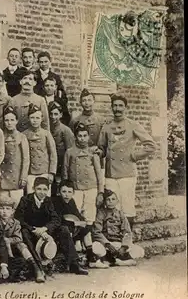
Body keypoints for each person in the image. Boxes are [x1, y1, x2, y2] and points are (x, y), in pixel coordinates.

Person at [97, 94, 155, 229]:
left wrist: (134, 156)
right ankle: (114, 236)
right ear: (111, 107)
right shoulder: (106, 126)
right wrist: (98, 152)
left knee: (127, 206)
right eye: (115, 106)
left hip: (127, 173)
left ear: (125, 108)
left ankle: (128, 238)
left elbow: (151, 145)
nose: (117, 109)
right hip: (111, 174)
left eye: (120, 106)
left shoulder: (133, 125)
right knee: (112, 206)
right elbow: (102, 148)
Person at [15, 177, 88, 275]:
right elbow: (19, 218)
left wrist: (45, 229)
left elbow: (56, 219)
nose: (42, 192)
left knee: (64, 229)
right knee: (24, 232)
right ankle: (37, 267)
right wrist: (33, 229)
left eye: (45, 189)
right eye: (39, 189)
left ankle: (74, 264)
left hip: (45, 231)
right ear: (33, 189)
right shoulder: (25, 199)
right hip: (31, 230)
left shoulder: (48, 201)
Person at [0, 195, 45, 283]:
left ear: (12, 211)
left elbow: (18, 238)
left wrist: (8, 240)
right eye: (2, 208)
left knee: (21, 245)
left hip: (12, 249)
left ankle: (35, 268)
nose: (4, 211)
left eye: (8, 209)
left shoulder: (15, 223)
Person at [62, 123, 104, 225]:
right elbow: (65, 171)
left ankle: (88, 237)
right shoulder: (70, 152)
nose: (82, 139)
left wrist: (100, 192)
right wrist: (66, 189)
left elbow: (99, 173)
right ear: (76, 137)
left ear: (88, 136)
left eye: (85, 136)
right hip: (76, 188)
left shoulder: (93, 152)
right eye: (80, 136)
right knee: (75, 214)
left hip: (91, 188)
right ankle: (77, 239)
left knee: (89, 215)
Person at [92, 189, 144, 267]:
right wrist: (107, 244)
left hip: (118, 243)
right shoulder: (101, 213)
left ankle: (114, 260)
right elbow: (96, 232)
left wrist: (123, 247)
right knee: (95, 247)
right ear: (105, 202)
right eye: (108, 199)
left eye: (113, 199)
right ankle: (119, 260)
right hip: (106, 244)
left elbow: (127, 231)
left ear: (117, 201)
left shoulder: (120, 213)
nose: (111, 201)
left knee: (140, 251)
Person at [52, 181, 97, 269]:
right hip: (59, 229)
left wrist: (82, 221)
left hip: (70, 227)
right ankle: (73, 259)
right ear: (59, 192)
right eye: (64, 192)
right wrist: (75, 223)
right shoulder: (54, 201)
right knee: (67, 229)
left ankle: (91, 257)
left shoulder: (71, 201)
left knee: (86, 229)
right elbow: (57, 219)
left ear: (73, 193)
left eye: (69, 192)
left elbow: (77, 214)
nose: (66, 195)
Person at [22, 105, 57, 194]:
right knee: (31, 195)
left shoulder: (46, 134)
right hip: (30, 172)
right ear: (28, 118)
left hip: (44, 172)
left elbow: (53, 154)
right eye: (32, 117)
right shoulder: (24, 134)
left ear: (41, 118)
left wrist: (52, 172)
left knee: (44, 197)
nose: (35, 120)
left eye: (37, 118)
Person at [0, 106, 29, 209]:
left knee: (17, 207)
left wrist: (23, 177)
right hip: (3, 178)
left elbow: (26, 159)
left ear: (16, 121)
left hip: (16, 178)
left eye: (12, 120)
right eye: (7, 120)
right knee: (3, 207)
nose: (9, 123)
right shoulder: (1, 136)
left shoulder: (21, 137)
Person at [49, 101, 75, 195]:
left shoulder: (65, 130)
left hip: (61, 166)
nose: (53, 117)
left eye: (56, 114)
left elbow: (70, 152)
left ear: (60, 115)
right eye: (51, 114)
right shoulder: (47, 129)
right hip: (50, 166)